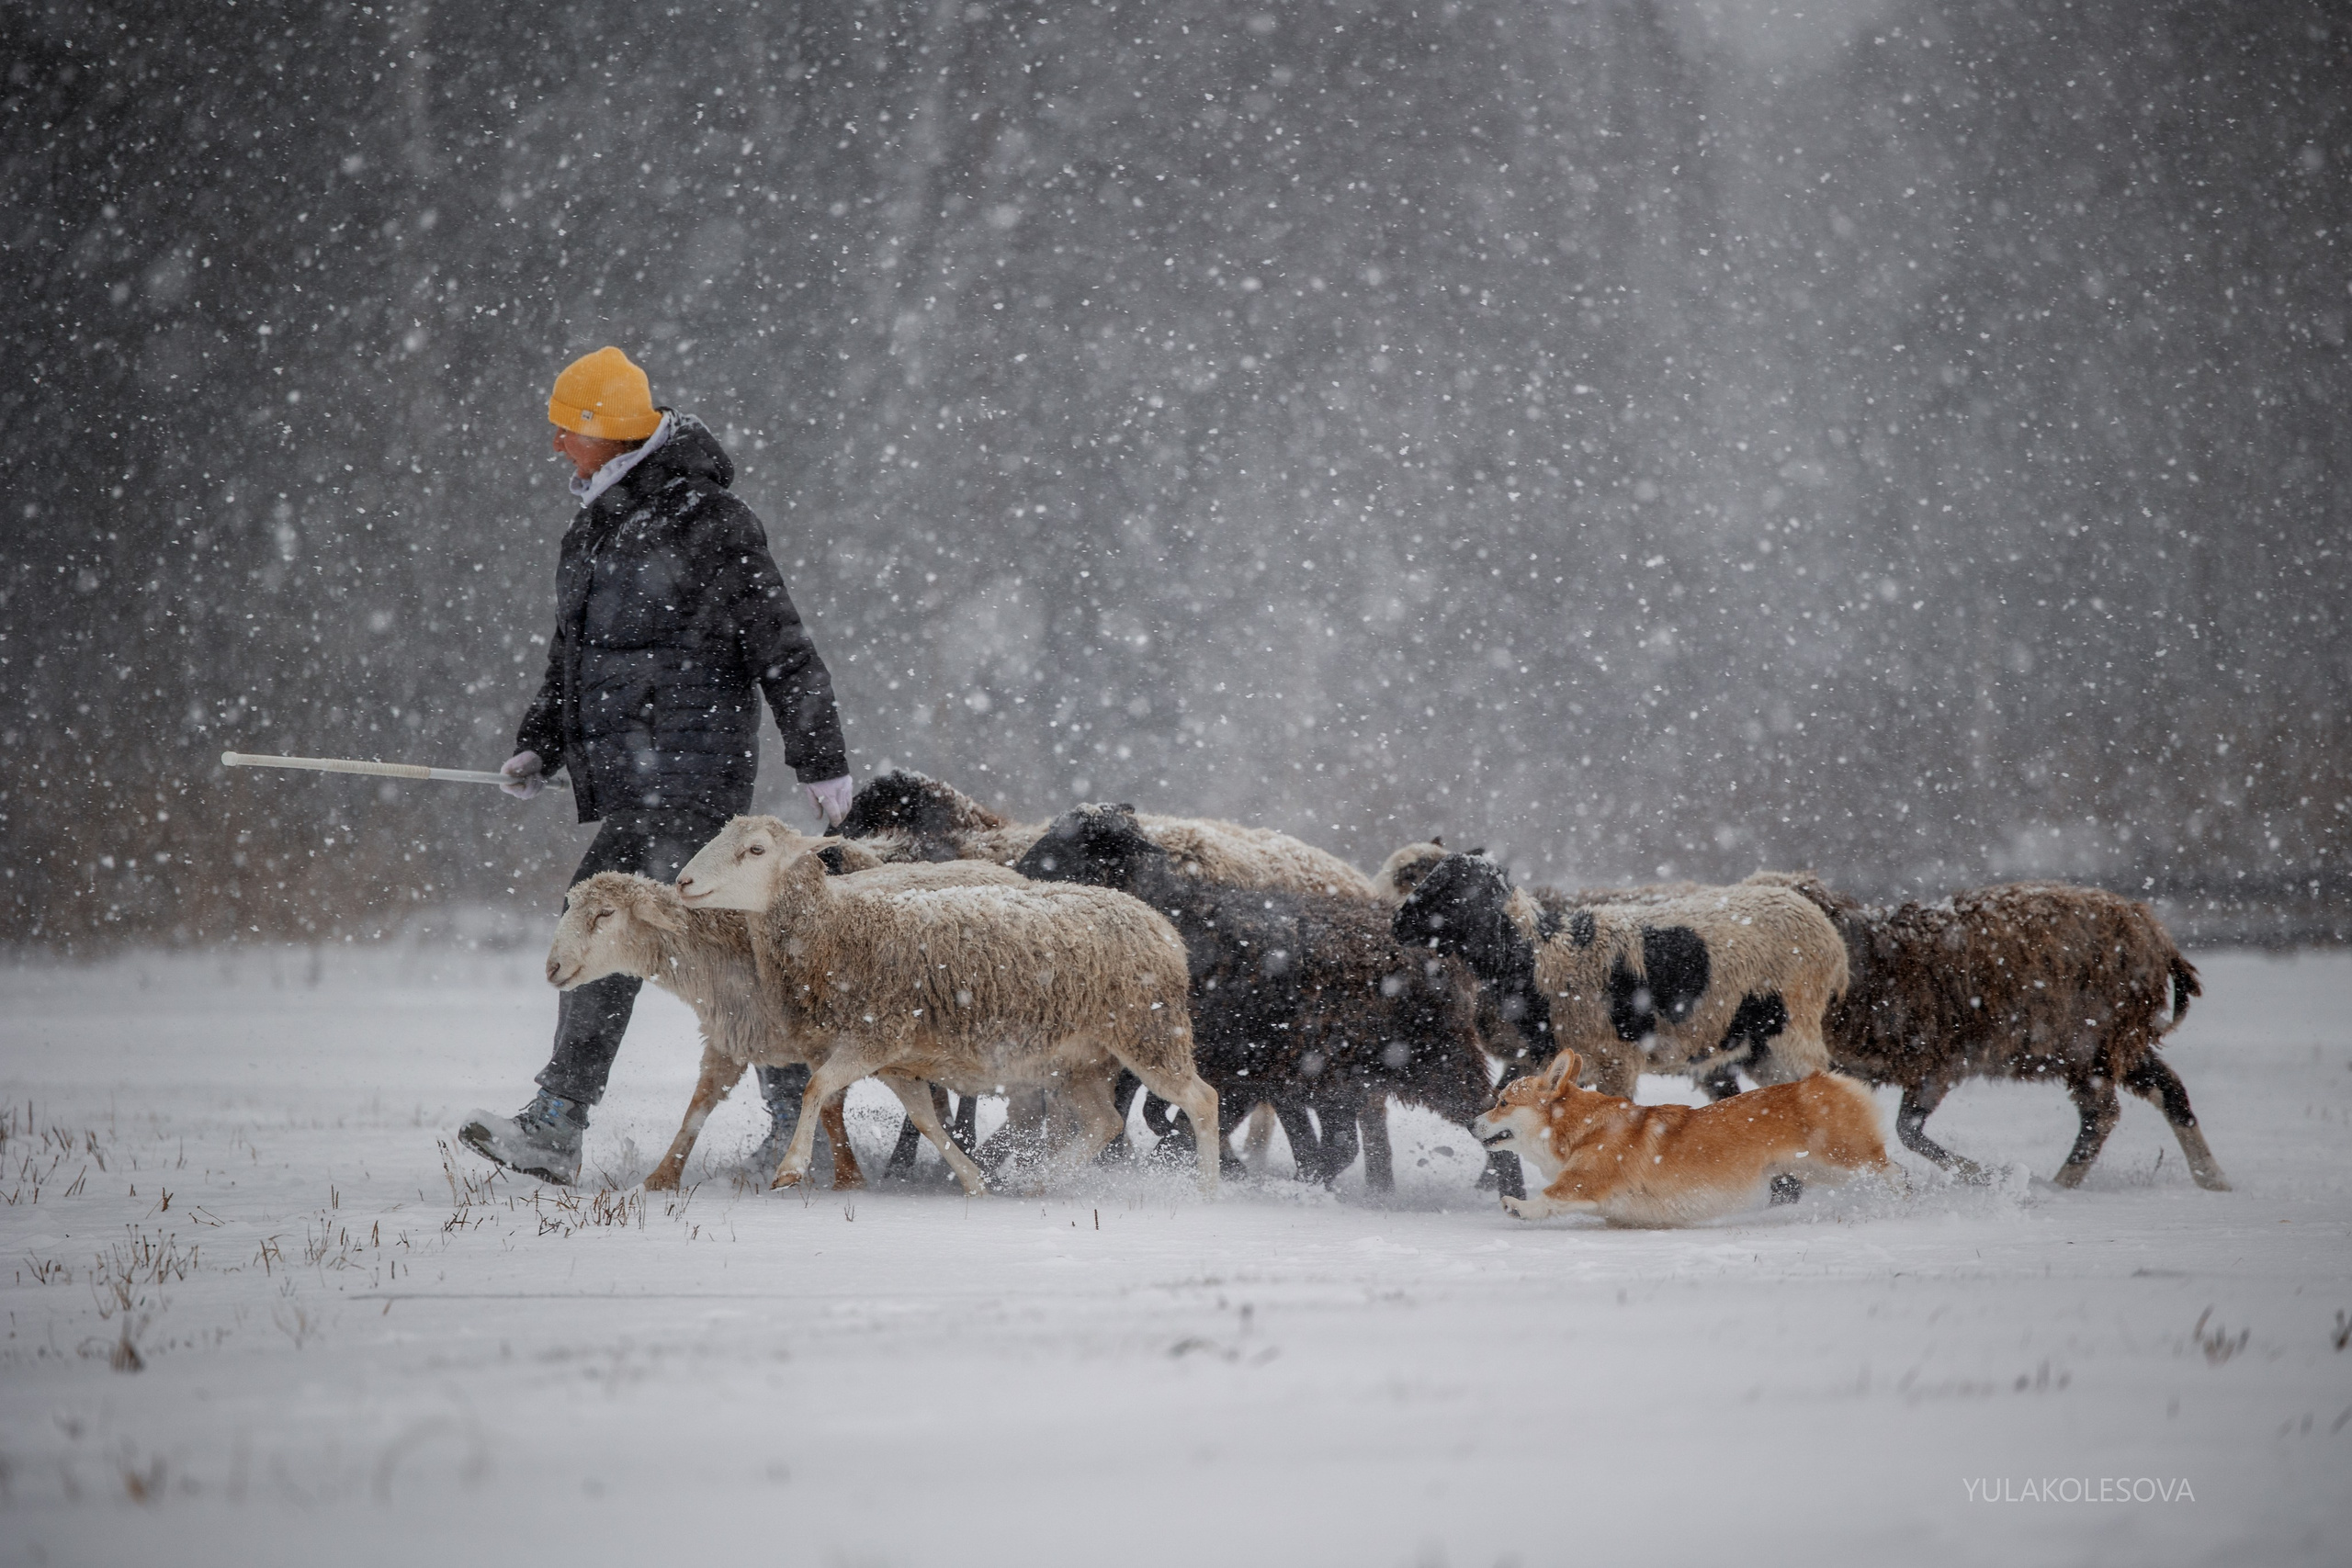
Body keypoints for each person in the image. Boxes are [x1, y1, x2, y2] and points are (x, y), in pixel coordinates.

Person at [458, 346, 853, 1184]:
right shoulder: (593, 525)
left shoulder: (711, 522)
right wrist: (542, 740)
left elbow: (782, 646)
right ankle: (802, 1124)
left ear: (604, 431)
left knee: (601, 921)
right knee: (735, 955)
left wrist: (821, 759)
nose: (558, 446)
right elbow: (572, 654)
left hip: (688, 775)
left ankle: (559, 1123)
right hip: (635, 778)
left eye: (568, 431)